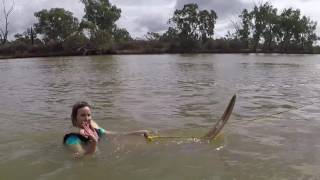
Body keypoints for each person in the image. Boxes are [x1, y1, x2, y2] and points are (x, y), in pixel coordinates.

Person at [63, 101, 149, 157]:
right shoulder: (72, 139)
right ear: (75, 118)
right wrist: (94, 142)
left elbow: (116, 134)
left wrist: (138, 133)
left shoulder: (96, 130)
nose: (87, 118)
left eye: (89, 115)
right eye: (82, 115)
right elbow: (82, 158)